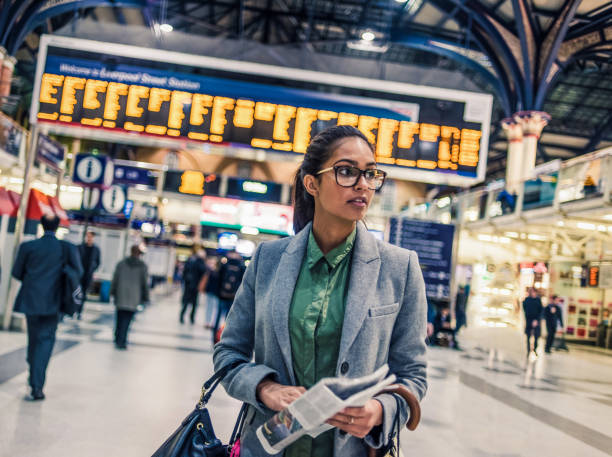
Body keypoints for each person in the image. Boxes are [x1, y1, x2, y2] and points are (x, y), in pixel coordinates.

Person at [213, 125, 427, 457]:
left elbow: (412, 374)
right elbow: (228, 355)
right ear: (311, 183)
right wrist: (265, 388)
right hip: (269, 445)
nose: (362, 185)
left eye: (370, 174)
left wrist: (380, 410)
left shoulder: (399, 268)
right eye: (346, 172)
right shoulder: (269, 260)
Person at [11, 214, 83, 400]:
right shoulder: (66, 248)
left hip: (31, 301)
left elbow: (17, 273)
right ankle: (37, 385)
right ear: (58, 227)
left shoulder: (28, 247)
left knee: (33, 339)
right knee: (46, 341)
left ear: (41, 225)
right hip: (53, 302)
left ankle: (33, 374)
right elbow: (78, 272)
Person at [110, 245, 149, 350]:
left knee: (119, 318)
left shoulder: (121, 264)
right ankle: (122, 341)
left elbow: (115, 279)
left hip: (120, 295)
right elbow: (144, 283)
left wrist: (112, 292)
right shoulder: (142, 266)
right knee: (127, 321)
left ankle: (117, 337)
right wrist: (146, 297)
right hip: (134, 298)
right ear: (139, 254)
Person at [212, 250, 245, 344]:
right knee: (229, 320)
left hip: (222, 296)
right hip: (233, 298)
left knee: (218, 318)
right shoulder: (242, 267)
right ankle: (225, 340)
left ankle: (214, 339)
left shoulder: (224, 265)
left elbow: (217, 279)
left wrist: (218, 293)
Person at [77, 230, 101, 319]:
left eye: (91, 236)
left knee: (83, 294)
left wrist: (92, 269)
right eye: (88, 236)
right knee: (75, 292)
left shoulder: (96, 249)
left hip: (87, 275)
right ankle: (73, 309)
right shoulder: (80, 247)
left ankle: (79, 311)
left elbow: (98, 262)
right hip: (79, 274)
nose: (89, 238)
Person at [180, 247, 207, 324]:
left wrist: (185, 281)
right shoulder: (200, 263)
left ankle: (182, 316)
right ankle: (191, 318)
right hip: (195, 286)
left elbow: (185, 272)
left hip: (188, 285)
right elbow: (203, 271)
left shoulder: (190, 261)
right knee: (193, 304)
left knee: (186, 302)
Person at [523, 287, 543, 356]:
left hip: (536, 320)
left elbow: (541, 311)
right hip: (529, 320)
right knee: (528, 336)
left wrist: (537, 320)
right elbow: (525, 310)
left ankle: (535, 349)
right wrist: (529, 320)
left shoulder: (538, 300)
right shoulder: (527, 300)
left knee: (536, 336)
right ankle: (528, 350)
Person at [203, 257, 219, 329]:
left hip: (216, 292)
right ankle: (207, 322)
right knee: (209, 307)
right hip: (210, 291)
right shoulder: (209, 271)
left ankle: (213, 323)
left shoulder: (219, 271)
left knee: (215, 308)